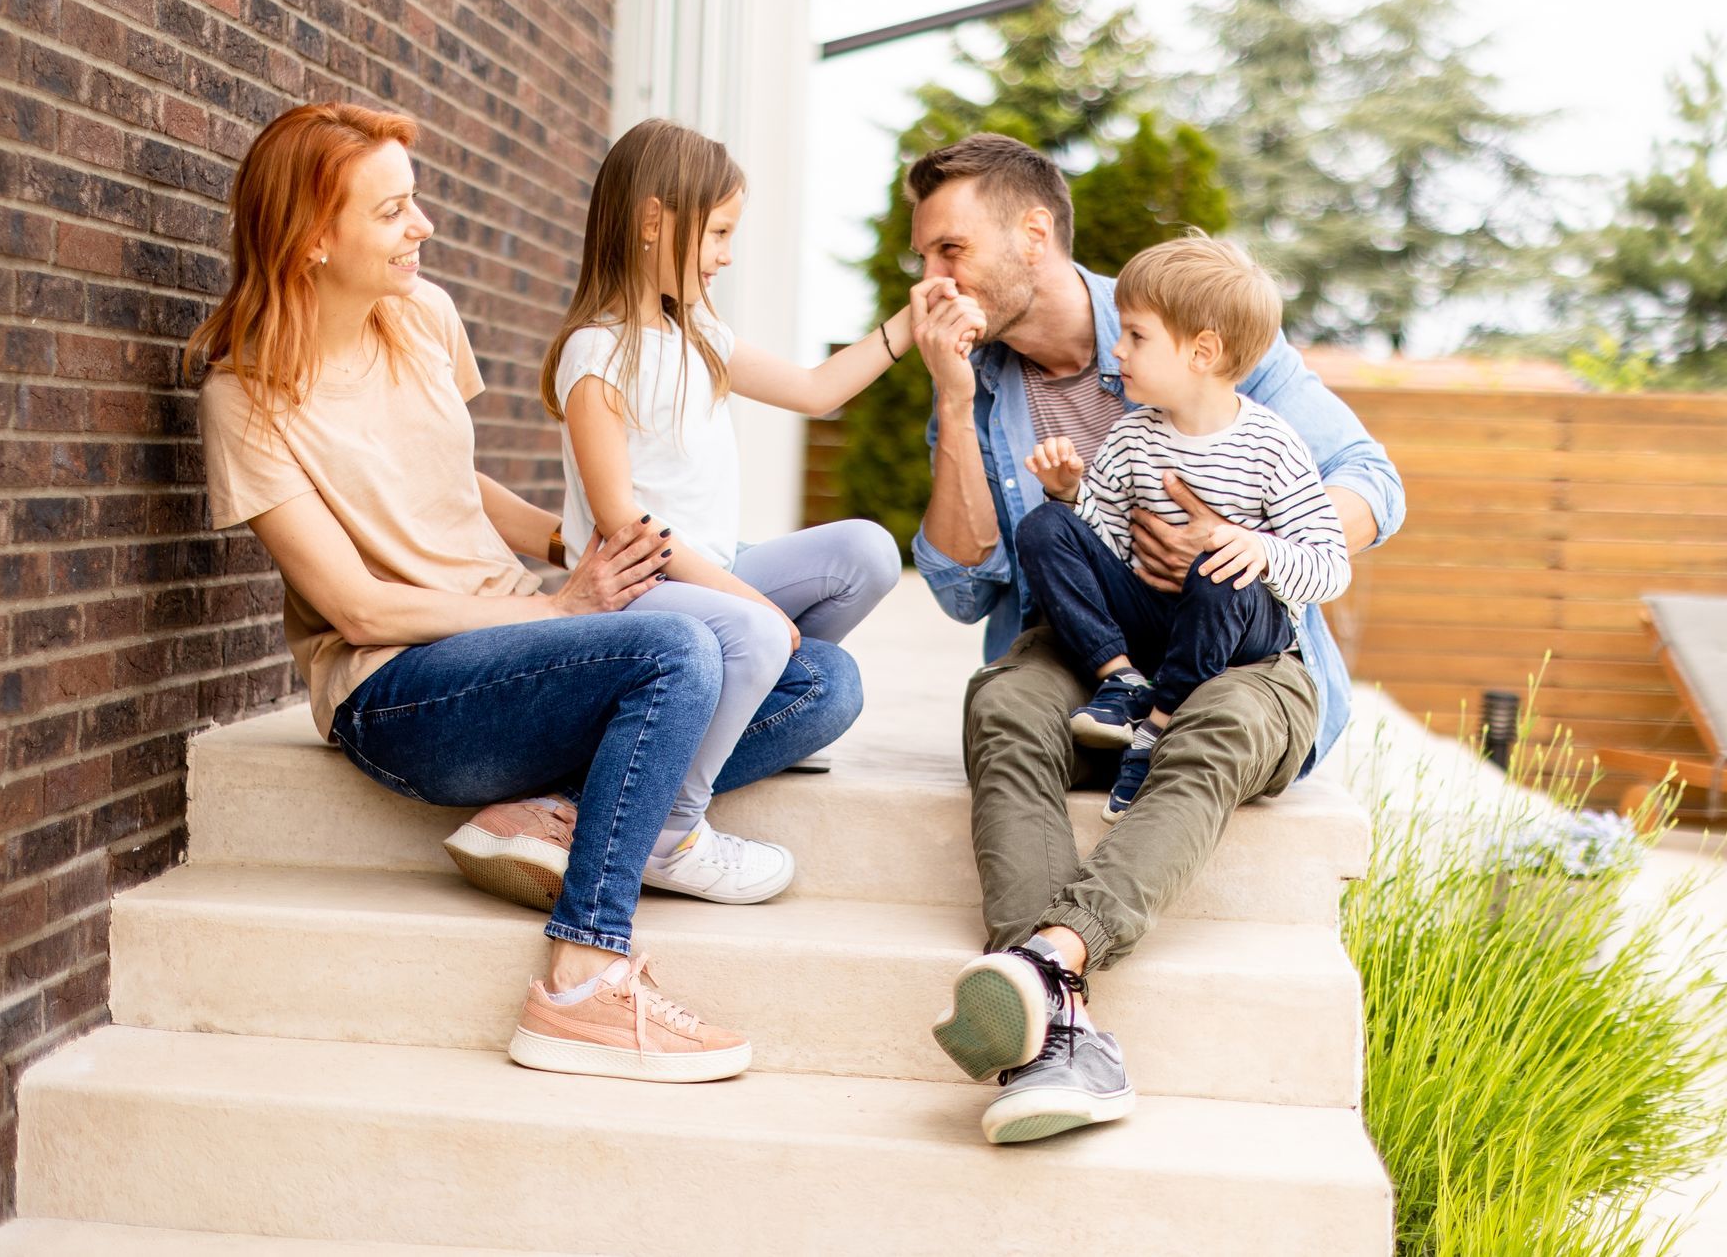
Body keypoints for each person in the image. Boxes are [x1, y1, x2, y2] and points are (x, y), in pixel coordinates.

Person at [188, 102, 856, 1083]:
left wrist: (569, 545)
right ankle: (582, 980)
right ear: (312, 239)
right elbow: (358, 609)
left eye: (415, 205)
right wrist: (557, 606)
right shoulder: (243, 397)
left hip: (510, 638)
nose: (423, 228)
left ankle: (554, 812)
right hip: (401, 690)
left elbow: (456, 486)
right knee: (677, 651)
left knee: (821, 678)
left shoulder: (422, 316)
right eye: (392, 212)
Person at [899, 134, 1404, 1144]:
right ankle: (1059, 1026)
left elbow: (1371, 485)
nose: (930, 279)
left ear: (1031, 235)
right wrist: (955, 401)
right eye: (924, 258)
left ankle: (1051, 964)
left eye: (949, 250)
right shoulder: (984, 380)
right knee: (1002, 698)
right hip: (1099, 641)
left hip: (1247, 639)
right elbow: (962, 583)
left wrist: (1241, 547)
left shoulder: (1191, 317)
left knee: (1215, 724)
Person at [539, 118, 904, 904]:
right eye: (719, 233)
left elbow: (814, 390)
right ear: (652, 222)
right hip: (640, 587)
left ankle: (750, 703)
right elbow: (622, 525)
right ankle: (670, 831)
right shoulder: (593, 354)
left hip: (714, 566)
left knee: (868, 553)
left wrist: (908, 326)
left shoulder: (696, 330)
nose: (728, 255)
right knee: (758, 625)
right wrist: (747, 602)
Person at [1017, 232, 1351, 824]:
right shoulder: (1133, 437)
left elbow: (1330, 566)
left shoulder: (1271, 446)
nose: (1116, 350)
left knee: (1221, 566)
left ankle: (1157, 729)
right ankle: (1121, 682)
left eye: (1136, 336)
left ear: (1201, 353)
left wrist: (1261, 549)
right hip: (1152, 617)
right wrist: (1070, 494)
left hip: (1238, 624)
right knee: (1045, 525)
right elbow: (1110, 545)